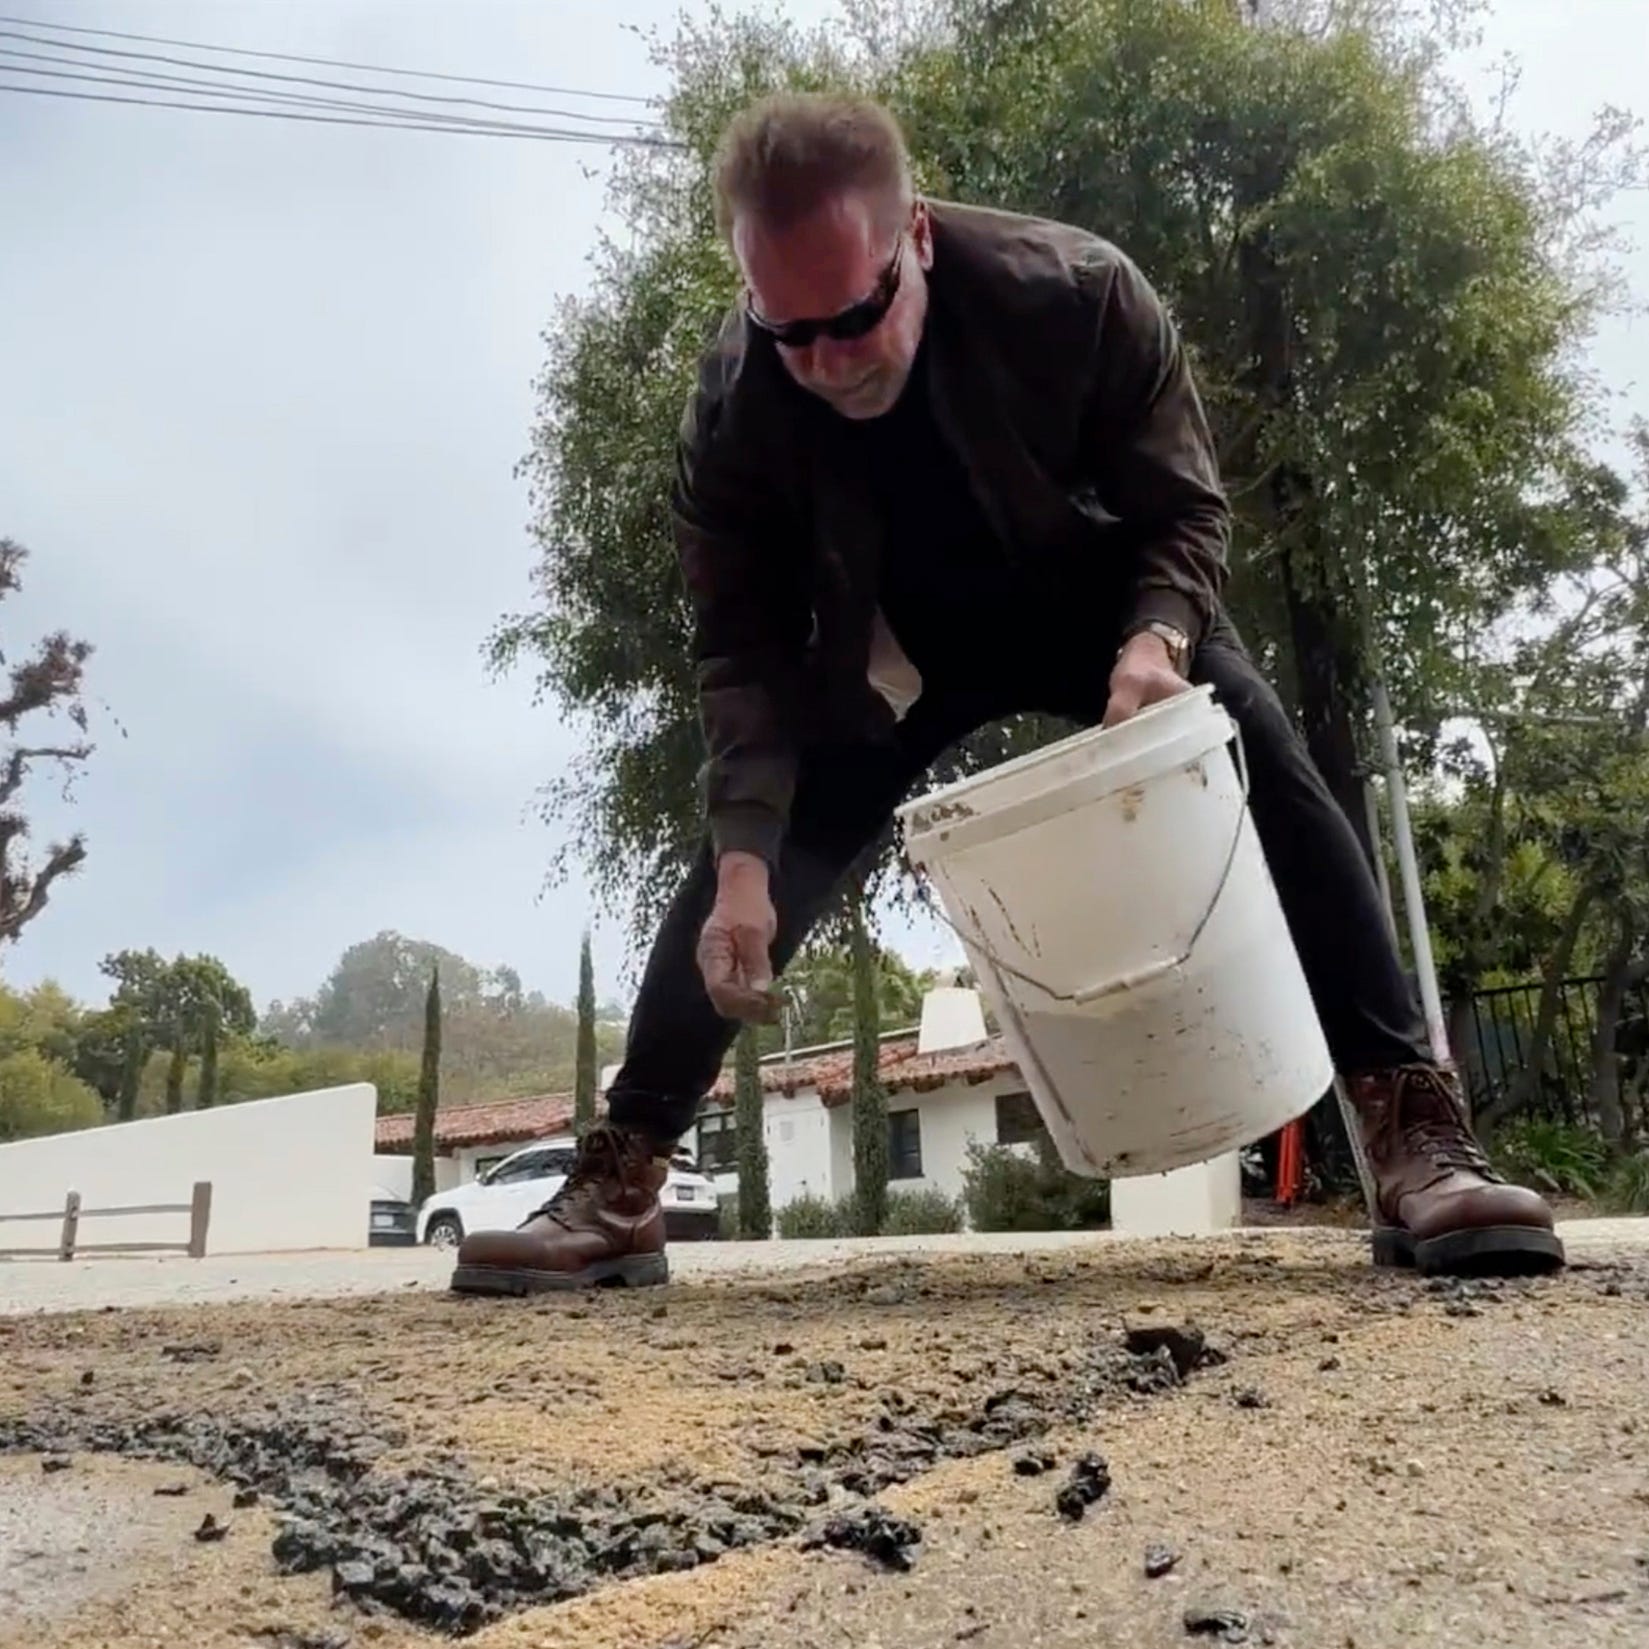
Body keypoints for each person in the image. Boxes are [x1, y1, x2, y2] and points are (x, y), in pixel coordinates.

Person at [450, 92, 1563, 1295]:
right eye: (787, 330)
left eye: (856, 315)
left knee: (1268, 766)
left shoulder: (1078, 294)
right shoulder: (734, 408)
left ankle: (1415, 1135)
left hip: (1102, 607)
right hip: (892, 650)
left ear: (915, 236)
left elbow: (1185, 509)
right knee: (745, 871)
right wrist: (740, 860)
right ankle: (620, 1178)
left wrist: (1154, 643)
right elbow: (741, 648)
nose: (825, 363)